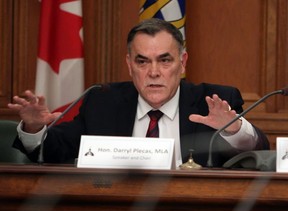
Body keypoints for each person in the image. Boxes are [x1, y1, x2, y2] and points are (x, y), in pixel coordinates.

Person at [8, 18, 269, 168]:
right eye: (142, 61)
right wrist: (33, 129)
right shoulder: (102, 101)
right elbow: (54, 152)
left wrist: (233, 130)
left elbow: (258, 151)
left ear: (183, 62)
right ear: (129, 65)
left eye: (165, 60)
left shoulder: (213, 102)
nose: (153, 72)